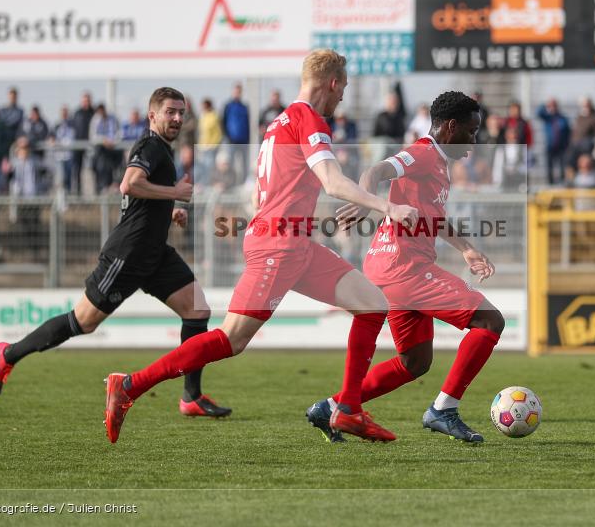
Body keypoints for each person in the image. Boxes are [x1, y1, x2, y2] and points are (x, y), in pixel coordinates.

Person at [102, 50, 418, 444]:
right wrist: (389, 206)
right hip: (280, 246)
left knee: (371, 304)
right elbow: (332, 182)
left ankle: (348, 409)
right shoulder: (309, 120)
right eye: (344, 88)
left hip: (293, 242)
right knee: (231, 339)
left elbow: (264, 190)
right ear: (333, 83)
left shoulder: (279, 122)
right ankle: (129, 385)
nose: (342, 97)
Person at [0, 87, 231, 421]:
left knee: (197, 310)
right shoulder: (149, 145)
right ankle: (8, 354)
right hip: (127, 255)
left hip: (155, 254)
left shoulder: (163, 149)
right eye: (170, 112)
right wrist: (174, 193)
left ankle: (191, 397)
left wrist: (169, 209)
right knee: (81, 322)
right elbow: (129, 184)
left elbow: (140, 198)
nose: (176, 118)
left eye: (180, 112)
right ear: (152, 115)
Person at [307, 91, 502, 444]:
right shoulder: (424, 152)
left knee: (415, 362)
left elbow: (435, 219)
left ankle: (332, 406)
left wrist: (467, 249)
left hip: (390, 267)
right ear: (451, 126)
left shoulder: (438, 163)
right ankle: (443, 410)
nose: (475, 141)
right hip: (405, 268)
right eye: (471, 132)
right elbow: (375, 170)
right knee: (490, 321)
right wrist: (371, 204)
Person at [537, 98, 570, 185]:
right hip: (550, 146)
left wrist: (567, 145)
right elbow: (538, 113)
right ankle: (550, 183)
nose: (553, 107)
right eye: (551, 105)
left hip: (562, 147)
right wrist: (545, 105)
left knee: (562, 166)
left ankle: (562, 183)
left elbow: (567, 132)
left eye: (554, 105)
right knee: (549, 167)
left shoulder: (563, 118)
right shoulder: (548, 117)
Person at [222, 83, 250, 181]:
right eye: (236, 92)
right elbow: (223, 122)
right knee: (232, 162)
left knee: (244, 163)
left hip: (244, 141)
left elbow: (248, 123)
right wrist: (227, 137)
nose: (237, 94)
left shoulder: (245, 107)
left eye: (239, 92)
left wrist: (248, 138)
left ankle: (243, 181)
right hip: (231, 141)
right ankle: (232, 181)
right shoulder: (228, 106)